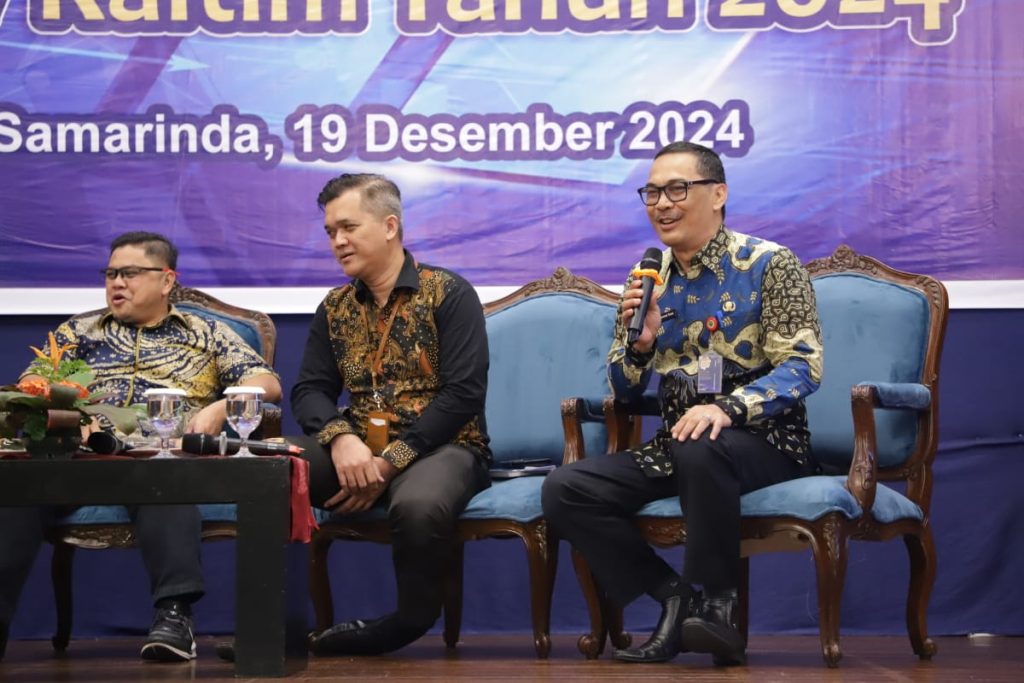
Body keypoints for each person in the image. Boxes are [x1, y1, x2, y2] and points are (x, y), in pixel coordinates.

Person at [542, 142, 823, 666]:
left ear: (718, 194)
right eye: (652, 193)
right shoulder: (647, 278)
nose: (662, 204)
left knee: (702, 445)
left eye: (677, 189)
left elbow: (804, 366)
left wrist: (727, 409)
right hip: (681, 446)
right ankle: (676, 599)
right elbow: (624, 392)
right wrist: (641, 345)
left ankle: (718, 611)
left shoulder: (770, 263)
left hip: (768, 443)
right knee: (566, 489)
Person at [0, 231, 282, 663]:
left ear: (167, 280)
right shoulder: (79, 331)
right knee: (16, 493)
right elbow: (32, 383)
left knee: (165, 482)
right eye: (111, 273)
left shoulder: (207, 332)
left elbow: (267, 383)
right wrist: (68, 413)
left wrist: (222, 406)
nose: (117, 283)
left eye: (129, 273)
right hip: (80, 458)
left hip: (160, 457)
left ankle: (174, 617)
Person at [291, 173, 491, 656]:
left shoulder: (447, 293)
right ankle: (276, 625)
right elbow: (309, 390)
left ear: (389, 226)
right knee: (274, 470)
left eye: (348, 227)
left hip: (445, 447)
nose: (338, 242)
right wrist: (342, 439)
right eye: (330, 232)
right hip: (358, 449)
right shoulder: (335, 307)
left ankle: (408, 621)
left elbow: (463, 394)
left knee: (418, 504)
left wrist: (389, 462)